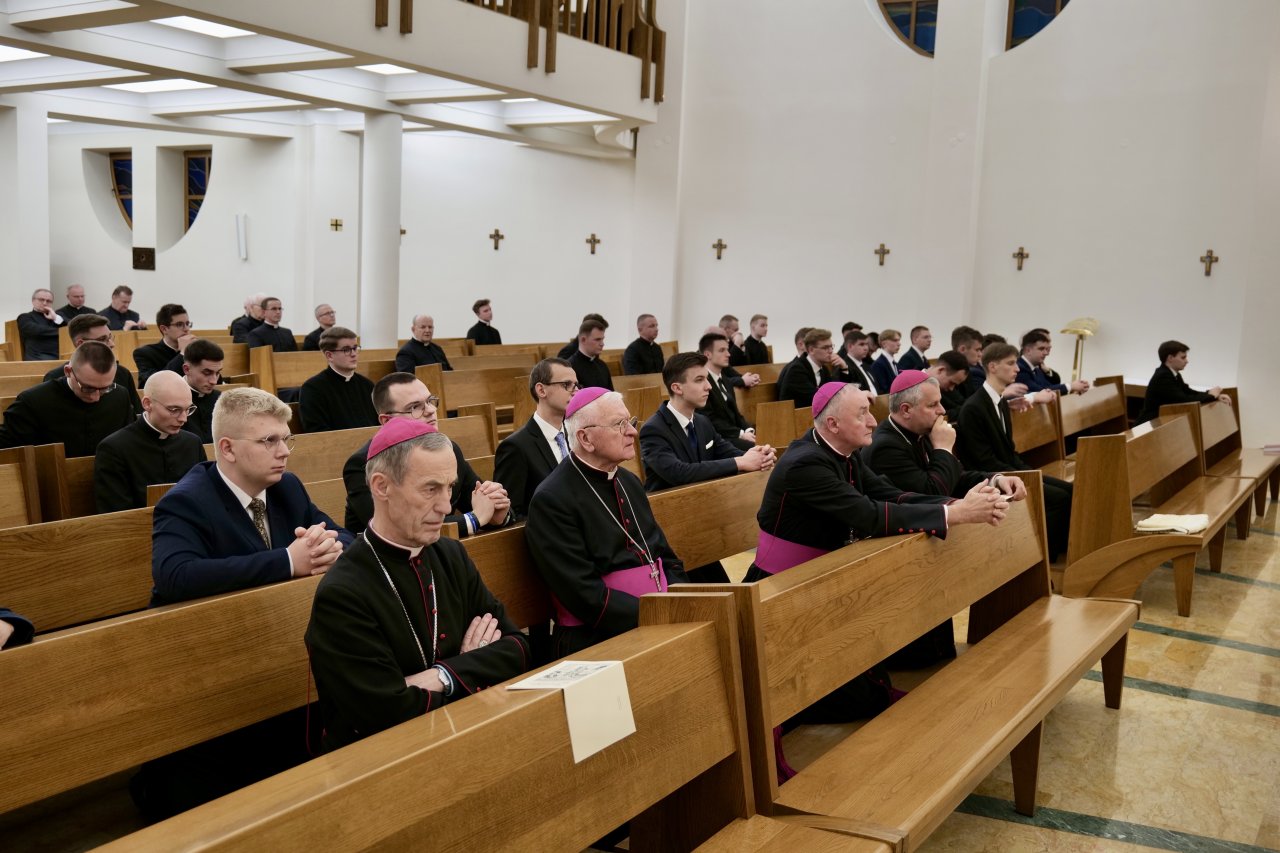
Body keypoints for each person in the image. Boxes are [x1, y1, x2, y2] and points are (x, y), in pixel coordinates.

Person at [745, 381, 1007, 720]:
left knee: (872, 686)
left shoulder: (846, 454)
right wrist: (956, 515)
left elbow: (890, 495)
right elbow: (868, 515)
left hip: (828, 576)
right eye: (862, 414)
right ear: (833, 423)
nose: (873, 421)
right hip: (783, 590)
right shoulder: (804, 464)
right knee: (851, 699)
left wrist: (956, 504)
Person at [305, 420, 531, 752]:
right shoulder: (342, 593)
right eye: (430, 489)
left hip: (463, 734)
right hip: (383, 760)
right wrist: (473, 666)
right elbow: (387, 712)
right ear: (382, 486)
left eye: (450, 487)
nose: (446, 506)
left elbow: (517, 649)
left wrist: (441, 676)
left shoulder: (451, 554)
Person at [862, 370, 1028, 667]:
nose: (942, 410)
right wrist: (943, 449)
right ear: (906, 409)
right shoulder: (886, 445)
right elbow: (931, 491)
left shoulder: (920, 433)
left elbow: (954, 477)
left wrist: (996, 479)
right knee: (923, 659)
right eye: (933, 405)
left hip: (929, 543)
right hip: (900, 558)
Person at [151, 387, 352, 606]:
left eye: (286, 439)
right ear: (228, 449)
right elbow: (175, 576)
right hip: (216, 622)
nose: (284, 451)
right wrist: (288, 561)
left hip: (282, 611)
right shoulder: (186, 501)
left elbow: (344, 537)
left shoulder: (287, 486)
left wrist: (326, 549)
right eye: (269, 440)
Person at [525, 388, 689, 656]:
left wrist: (682, 602)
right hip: (598, 638)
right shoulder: (551, 499)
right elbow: (584, 595)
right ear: (585, 438)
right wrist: (658, 613)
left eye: (630, 422)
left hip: (658, 618)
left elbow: (665, 557)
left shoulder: (629, 482)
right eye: (619, 424)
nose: (632, 432)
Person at [343, 373, 512, 537]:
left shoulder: (449, 451)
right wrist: (474, 519)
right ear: (387, 421)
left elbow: (482, 503)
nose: (430, 410)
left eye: (430, 401)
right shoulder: (363, 464)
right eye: (415, 407)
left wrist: (498, 512)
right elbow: (396, 528)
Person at [957, 342, 1074, 560]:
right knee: (1059, 498)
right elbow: (983, 461)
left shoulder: (1001, 401)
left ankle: (1064, 550)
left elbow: (1009, 451)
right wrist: (1024, 475)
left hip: (1009, 469)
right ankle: (1044, 557)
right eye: (1010, 363)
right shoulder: (974, 408)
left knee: (1070, 489)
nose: (1017, 368)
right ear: (992, 366)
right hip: (991, 477)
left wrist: (1030, 472)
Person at [640, 351, 776, 493]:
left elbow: (728, 452)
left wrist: (760, 455)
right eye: (699, 380)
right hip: (669, 504)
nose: (709, 386)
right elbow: (679, 473)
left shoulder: (702, 422)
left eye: (707, 379)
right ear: (677, 388)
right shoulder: (653, 430)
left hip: (706, 497)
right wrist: (740, 462)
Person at [94, 371, 206, 513]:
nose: (183, 418)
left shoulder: (193, 443)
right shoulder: (114, 449)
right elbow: (117, 514)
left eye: (188, 409)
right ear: (147, 404)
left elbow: (203, 496)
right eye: (174, 409)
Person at [0, 340, 132, 457]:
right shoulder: (32, 402)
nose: (95, 397)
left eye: (105, 388)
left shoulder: (120, 396)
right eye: (88, 388)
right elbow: (11, 456)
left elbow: (129, 443)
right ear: (68, 371)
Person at [494, 358, 576, 518]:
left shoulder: (576, 435)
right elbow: (510, 513)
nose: (575, 391)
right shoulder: (515, 447)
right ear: (541, 390)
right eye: (566, 384)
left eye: (576, 385)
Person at [43, 314, 143, 416]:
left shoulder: (123, 374)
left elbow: (136, 415)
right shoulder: (55, 377)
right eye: (103, 339)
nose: (112, 344)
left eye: (110, 337)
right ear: (81, 344)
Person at [299, 326, 378, 432]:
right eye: (346, 350)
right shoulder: (313, 388)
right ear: (329, 355)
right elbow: (317, 431)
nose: (353, 354)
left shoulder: (367, 385)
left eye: (355, 348)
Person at [1138, 340, 1233, 423]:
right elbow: (1183, 400)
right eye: (1183, 358)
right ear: (1170, 358)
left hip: (1163, 420)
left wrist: (1211, 395)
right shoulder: (1163, 376)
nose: (1187, 361)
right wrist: (1211, 396)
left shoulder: (1173, 374)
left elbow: (1188, 392)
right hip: (1150, 423)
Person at [699, 333, 757, 450]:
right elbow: (709, 419)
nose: (728, 354)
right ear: (707, 354)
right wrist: (740, 434)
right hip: (716, 439)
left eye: (727, 349)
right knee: (759, 449)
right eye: (722, 350)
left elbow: (736, 414)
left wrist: (748, 430)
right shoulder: (701, 382)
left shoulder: (726, 380)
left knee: (768, 439)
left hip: (733, 435)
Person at [778, 328, 845, 408]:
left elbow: (836, 390)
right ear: (811, 350)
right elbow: (816, 398)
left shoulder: (824, 369)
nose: (830, 351)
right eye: (826, 348)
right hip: (794, 414)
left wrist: (844, 368)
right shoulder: (796, 370)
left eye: (831, 347)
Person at [133, 303, 194, 384]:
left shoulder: (196, 351)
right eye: (179, 324)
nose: (186, 329)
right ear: (164, 329)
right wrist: (182, 353)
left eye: (187, 324)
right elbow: (155, 382)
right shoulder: (145, 353)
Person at [1017, 329, 1089, 396]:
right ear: (1028, 350)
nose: (1046, 353)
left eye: (1047, 349)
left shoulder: (1036, 368)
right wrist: (1070, 386)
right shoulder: (1019, 368)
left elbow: (1049, 386)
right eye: (1041, 349)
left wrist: (1073, 390)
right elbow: (1040, 392)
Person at [181, 339, 224, 444]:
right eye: (207, 373)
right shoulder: (169, 399)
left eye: (217, 373)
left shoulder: (222, 399)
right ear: (187, 369)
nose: (214, 381)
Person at [17, 288, 65, 360]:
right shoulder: (25, 317)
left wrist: (55, 318)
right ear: (33, 301)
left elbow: (73, 328)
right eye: (41, 300)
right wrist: (61, 332)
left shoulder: (58, 316)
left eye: (49, 301)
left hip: (62, 355)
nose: (45, 303)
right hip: (38, 357)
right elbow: (37, 330)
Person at [569, 317, 613, 390]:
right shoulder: (570, 367)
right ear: (583, 339)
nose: (602, 344)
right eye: (597, 339)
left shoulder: (602, 366)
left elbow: (611, 393)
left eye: (602, 339)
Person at [929, 350, 972, 416]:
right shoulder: (916, 387)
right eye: (951, 383)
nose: (951, 389)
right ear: (941, 370)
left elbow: (964, 405)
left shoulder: (944, 387)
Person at [840, 330, 879, 395]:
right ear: (850, 346)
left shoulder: (866, 366)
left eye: (867, 344)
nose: (866, 348)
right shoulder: (844, 367)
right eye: (861, 344)